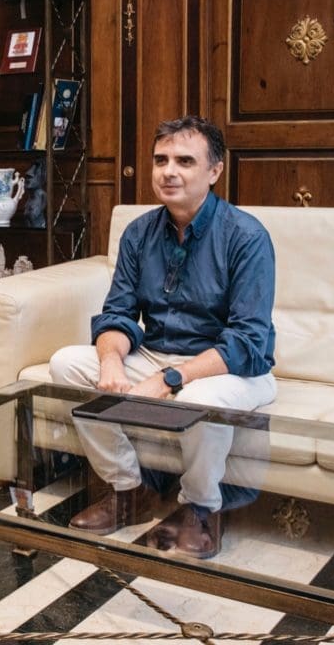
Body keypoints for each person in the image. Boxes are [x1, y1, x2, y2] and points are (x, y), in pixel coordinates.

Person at [50, 115, 276, 558]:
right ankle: (128, 490)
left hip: (233, 369)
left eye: (185, 161)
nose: (169, 171)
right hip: (156, 354)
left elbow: (247, 342)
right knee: (65, 364)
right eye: (161, 160)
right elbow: (118, 314)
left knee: (197, 400)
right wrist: (111, 362)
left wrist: (172, 379)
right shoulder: (139, 233)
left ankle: (201, 508)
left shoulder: (246, 236)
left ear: (214, 171)